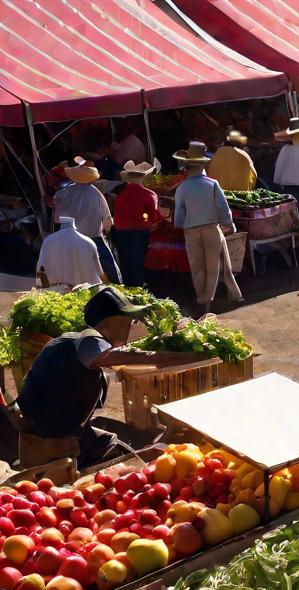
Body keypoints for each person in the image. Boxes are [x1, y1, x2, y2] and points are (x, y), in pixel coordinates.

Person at [12, 287, 195, 467]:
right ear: (110, 321)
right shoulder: (90, 340)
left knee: (113, 445)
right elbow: (108, 357)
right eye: (127, 320)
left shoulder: (76, 340)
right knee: (118, 464)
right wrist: (171, 357)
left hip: (56, 431)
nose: (130, 325)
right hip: (47, 443)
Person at [173, 141, 242, 314]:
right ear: (203, 164)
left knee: (197, 268)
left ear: (187, 167)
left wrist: (181, 226)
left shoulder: (181, 188)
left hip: (191, 232)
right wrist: (229, 225)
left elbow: (178, 217)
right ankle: (209, 301)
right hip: (211, 229)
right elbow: (223, 208)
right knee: (213, 267)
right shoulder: (212, 184)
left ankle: (201, 297)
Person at [53, 158, 121, 284]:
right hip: (94, 239)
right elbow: (108, 221)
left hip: (70, 238)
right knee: (112, 272)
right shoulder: (96, 193)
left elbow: (57, 219)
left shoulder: (63, 193)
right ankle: (117, 286)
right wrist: (103, 229)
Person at [112, 160, 160, 287]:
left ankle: (127, 288)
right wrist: (150, 223)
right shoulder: (150, 194)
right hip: (140, 232)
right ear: (144, 177)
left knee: (125, 262)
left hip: (121, 231)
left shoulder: (119, 194)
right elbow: (152, 217)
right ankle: (138, 288)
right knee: (137, 263)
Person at [36, 217, 104, 288]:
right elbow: (100, 273)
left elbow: (40, 272)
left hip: (57, 294)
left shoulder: (48, 241)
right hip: (86, 293)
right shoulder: (89, 242)